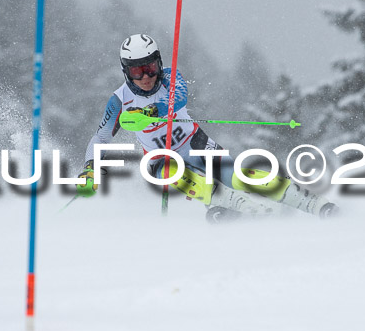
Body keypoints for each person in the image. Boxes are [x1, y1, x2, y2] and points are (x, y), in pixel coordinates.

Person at [77, 34, 337, 221]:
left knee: (238, 177)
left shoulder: (170, 76)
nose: (146, 77)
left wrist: (150, 112)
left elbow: (179, 98)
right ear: (126, 72)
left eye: (150, 67)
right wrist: (90, 170)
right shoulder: (119, 100)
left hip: (196, 144)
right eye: (137, 71)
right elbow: (99, 138)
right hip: (160, 159)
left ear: (159, 62)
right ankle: (229, 203)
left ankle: (308, 202)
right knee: (176, 174)